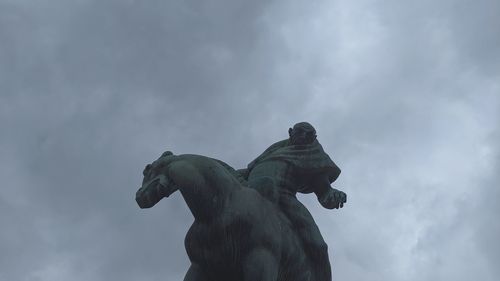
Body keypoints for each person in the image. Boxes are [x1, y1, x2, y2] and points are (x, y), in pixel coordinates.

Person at [237, 122, 346, 281]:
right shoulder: (275, 149)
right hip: (249, 190)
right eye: (300, 132)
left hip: (283, 197)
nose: (303, 137)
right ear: (290, 132)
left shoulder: (313, 155)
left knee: (319, 246)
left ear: (314, 138)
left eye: (309, 135)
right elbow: (248, 171)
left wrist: (333, 195)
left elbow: (324, 193)